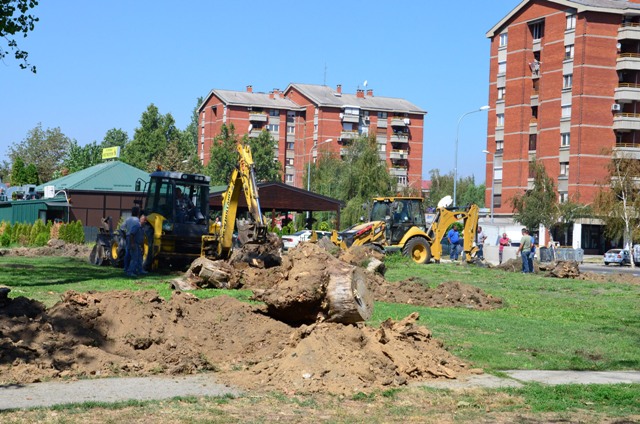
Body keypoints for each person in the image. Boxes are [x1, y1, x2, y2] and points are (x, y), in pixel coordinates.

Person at [120, 206, 140, 276]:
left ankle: (126, 268)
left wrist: (124, 236)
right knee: (134, 255)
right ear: (138, 212)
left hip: (128, 237)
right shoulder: (137, 220)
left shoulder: (127, 219)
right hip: (133, 237)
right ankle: (131, 270)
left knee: (127, 253)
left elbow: (121, 228)